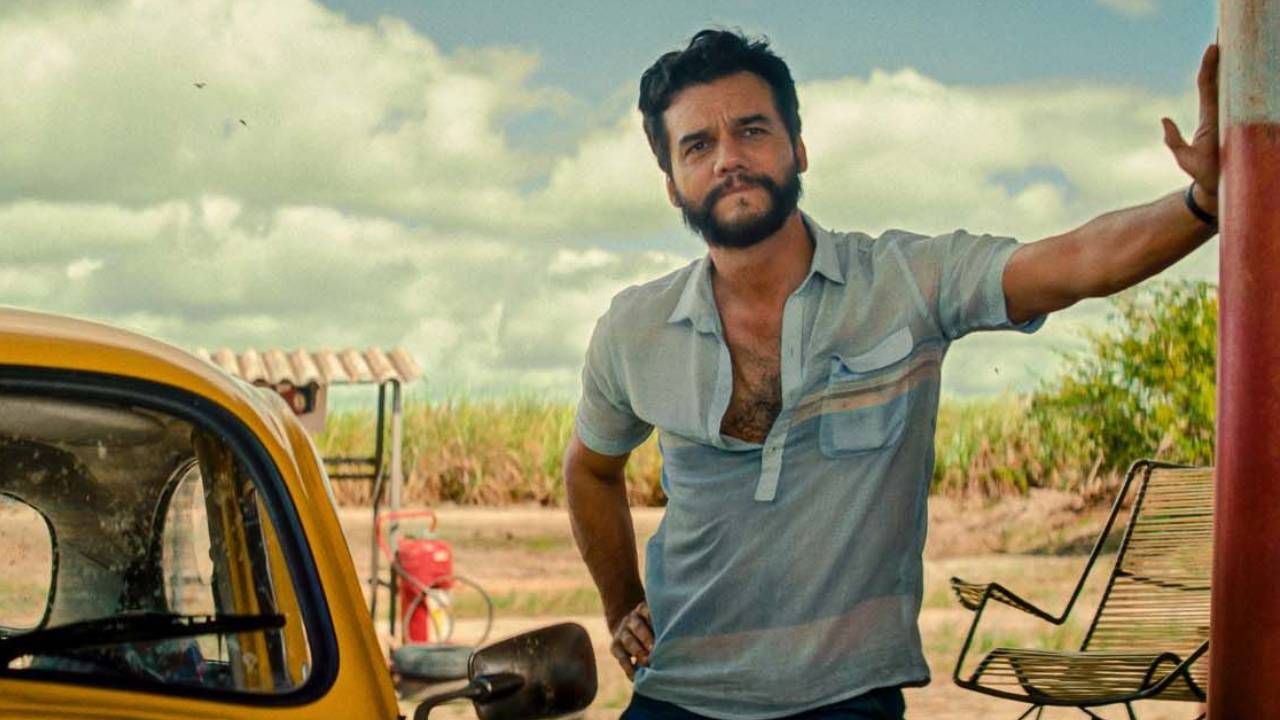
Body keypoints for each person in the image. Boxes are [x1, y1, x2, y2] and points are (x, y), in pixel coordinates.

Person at [563, 29, 1219, 720]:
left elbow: (1078, 261)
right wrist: (622, 604)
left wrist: (1203, 203)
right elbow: (590, 470)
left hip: (845, 698)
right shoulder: (635, 328)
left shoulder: (906, 283)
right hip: (675, 692)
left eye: (752, 130)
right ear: (672, 184)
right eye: (697, 145)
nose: (729, 157)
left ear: (798, 147)